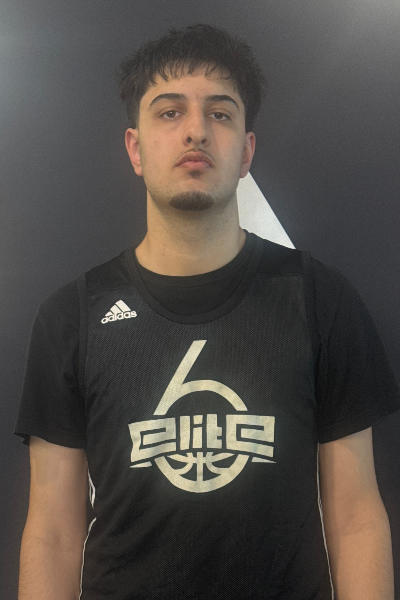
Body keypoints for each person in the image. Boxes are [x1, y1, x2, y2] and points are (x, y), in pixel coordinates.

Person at [15, 23, 400, 600]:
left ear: (246, 151)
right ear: (135, 149)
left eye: (220, 113)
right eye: (170, 112)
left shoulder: (320, 299)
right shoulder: (70, 317)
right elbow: (52, 535)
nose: (196, 130)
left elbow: (356, 520)